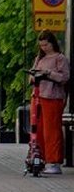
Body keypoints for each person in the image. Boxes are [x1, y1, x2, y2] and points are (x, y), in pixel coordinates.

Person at [30, 30, 70, 175]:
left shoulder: (60, 58)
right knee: (37, 129)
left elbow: (64, 77)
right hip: (38, 96)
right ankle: (38, 157)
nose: (44, 48)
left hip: (53, 97)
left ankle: (54, 161)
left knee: (51, 130)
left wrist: (48, 73)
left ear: (52, 43)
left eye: (46, 45)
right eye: (41, 45)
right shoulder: (39, 59)